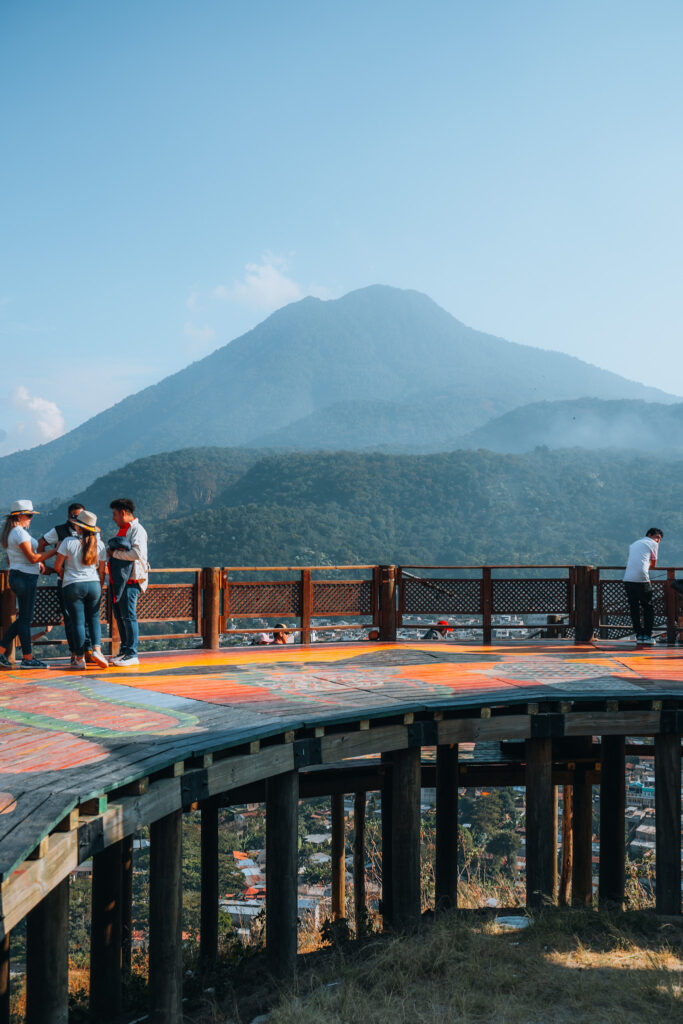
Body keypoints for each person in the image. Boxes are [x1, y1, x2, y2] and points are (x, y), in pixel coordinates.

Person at [0, 500, 58, 669]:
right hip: (26, 578)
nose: (31, 519)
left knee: (24, 619)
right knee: (25, 620)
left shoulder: (12, 533)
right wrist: (56, 550)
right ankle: (27, 658)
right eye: (29, 515)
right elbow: (32, 558)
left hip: (20, 576)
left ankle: (3, 651)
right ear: (20, 516)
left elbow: (14, 558)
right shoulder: (19, 533)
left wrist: (36, 564)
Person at [38, 503, 94, 661]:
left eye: (81, 516)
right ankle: (75, 651)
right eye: (75, 516)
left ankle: (88, 649)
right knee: (69, 617)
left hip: (86, 580)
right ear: (69, 517)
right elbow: (41, 542)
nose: (77, 520)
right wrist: (43, 565)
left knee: (88, 617)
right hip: (65, 581)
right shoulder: (59, 531)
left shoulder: (90, 531)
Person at [53, 511, 108, 670]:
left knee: (77, 622)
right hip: (94, 584)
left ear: (79, 527)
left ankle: (79, 657)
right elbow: (102, 571)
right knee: (94, 618)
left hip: (73, 585)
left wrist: (64, 575)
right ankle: (97, 649)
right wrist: (100, 585)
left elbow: (57, 566)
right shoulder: (100, 544)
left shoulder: (68, 542)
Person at [107, 498, 149, 667]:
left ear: (123, 513)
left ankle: (132, 653)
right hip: (119, 581)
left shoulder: (137, 530)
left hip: (131, 580)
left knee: (129, 616)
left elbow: (137, 554)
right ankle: (125, 651)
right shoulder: (124, 530)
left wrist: (114, 554)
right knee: (120, 616)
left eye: (115, 514)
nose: (113, 518)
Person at [623, 527, 663, 646]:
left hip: (628, 578)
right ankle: (647, 635)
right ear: (650, 535)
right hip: (641, 578)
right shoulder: (652, 544)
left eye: (660, 539)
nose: (658, 540)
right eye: (657, 537)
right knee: (648, 607)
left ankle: (639, 635)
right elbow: (654, 564)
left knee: (634, 607)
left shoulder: (634, 544)